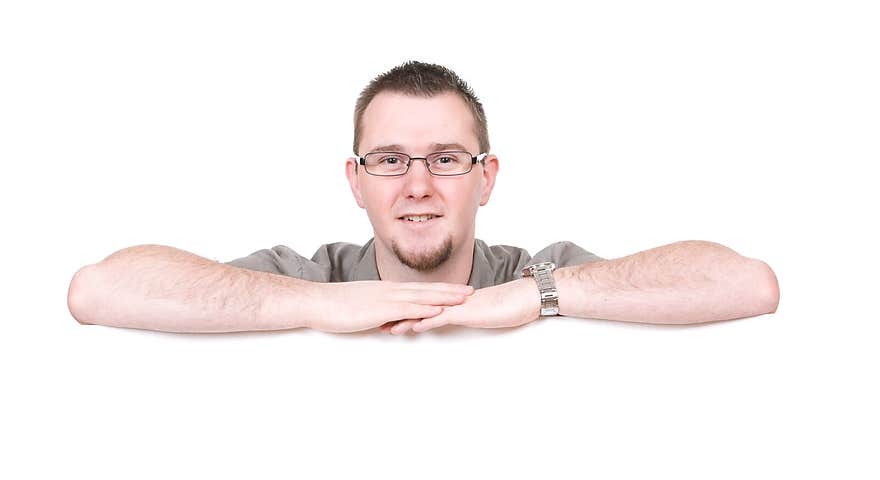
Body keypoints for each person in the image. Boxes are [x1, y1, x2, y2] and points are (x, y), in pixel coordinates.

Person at [66, 61, 779, 335]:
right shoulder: (308, 274)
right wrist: (314, 304)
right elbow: (98, 291)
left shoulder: (539, 273)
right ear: (355, 181)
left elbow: (748, 284)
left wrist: (541, 297)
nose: (417, 185)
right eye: (388, 160)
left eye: (445, 158)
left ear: (487, 177)